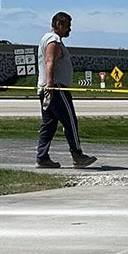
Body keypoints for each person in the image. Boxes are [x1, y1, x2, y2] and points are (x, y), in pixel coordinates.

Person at [36, 11, 96, 168]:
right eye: (67, 26)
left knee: (49, 124)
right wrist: (50, 84)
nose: (70, 29)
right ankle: (78, 155)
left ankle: (42, 158)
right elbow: (50, 61)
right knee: (70, 121)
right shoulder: (53, 40)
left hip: (47, 89)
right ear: (58, 24)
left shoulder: (46, 39)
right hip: (56, 89)